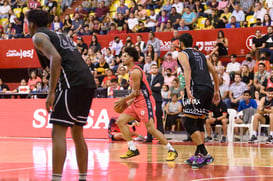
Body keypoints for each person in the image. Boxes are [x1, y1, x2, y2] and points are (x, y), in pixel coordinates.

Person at [26, 9, 97, 181]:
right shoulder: (60, 35)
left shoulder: (38, 37)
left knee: (58, 132)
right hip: (87, 83)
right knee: (77, 133)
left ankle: (56, 178)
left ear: (32, 24)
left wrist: (50, 92)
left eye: (26, 22)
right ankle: (82, 178)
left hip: (71, 84)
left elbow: (56, 58)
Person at [114, 47, 178, 161]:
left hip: (145, 102)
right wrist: (128, 103)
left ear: (131, 58)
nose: (122, 58)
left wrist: (124, 100)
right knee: (120, 121)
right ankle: (132, 148)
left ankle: (171, 150)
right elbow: (135, 94)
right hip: (136, 101)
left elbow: (136, 92)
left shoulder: (135, 72)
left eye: (125, 56)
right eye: (122, 56)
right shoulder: (131, 71)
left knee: (151, 129)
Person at [177, 33, 220, 168]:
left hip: (197, 88)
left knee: (187, 120)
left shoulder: (182, 54)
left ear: (181, 43)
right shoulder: (201, 54)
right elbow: (214, 71)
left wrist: (188, 89)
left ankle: (205, 153)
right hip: (208, 88)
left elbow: (187, 70)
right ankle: (198, 155)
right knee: (199, 121)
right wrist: (216, 90)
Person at [145, 64, 164, 142]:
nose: (154, 69)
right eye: (153, 68)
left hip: (157, 100)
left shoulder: (160, 77)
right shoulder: (148, 77)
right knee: (149, 119)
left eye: (156, 68)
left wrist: (150, 87)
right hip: (149, 100)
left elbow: (158, 88)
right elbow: (145, 88)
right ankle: (149, 137)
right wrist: (152, 87)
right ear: (150, 69)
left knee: (159, 118)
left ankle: (161, 137)